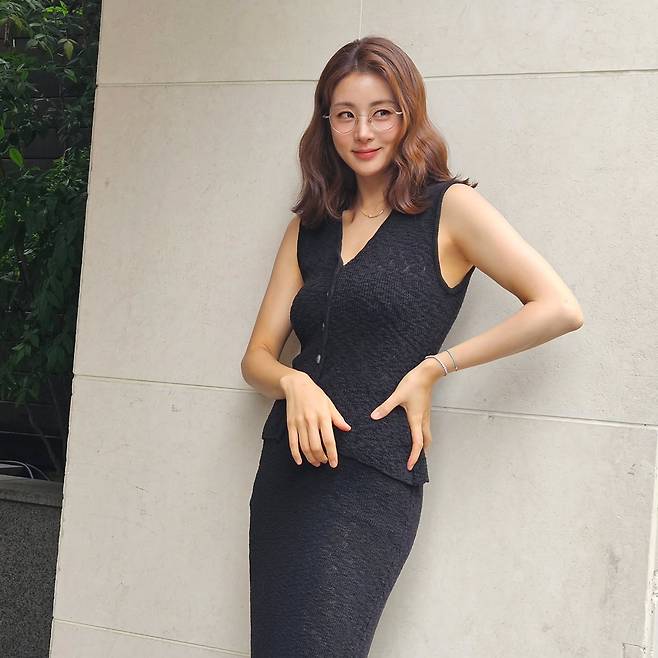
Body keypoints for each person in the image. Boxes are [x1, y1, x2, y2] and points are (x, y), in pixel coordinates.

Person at [240, 35, 583, 657]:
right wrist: (293, 381)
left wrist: (436, 367)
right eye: (345, 114)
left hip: (370, 480)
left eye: (382, 112)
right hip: (287, 473)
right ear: (325, 124)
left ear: (408, 115)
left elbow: (558, 307)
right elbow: (258, 356)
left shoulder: (450, 209)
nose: (362, 132)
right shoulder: (309, 227)